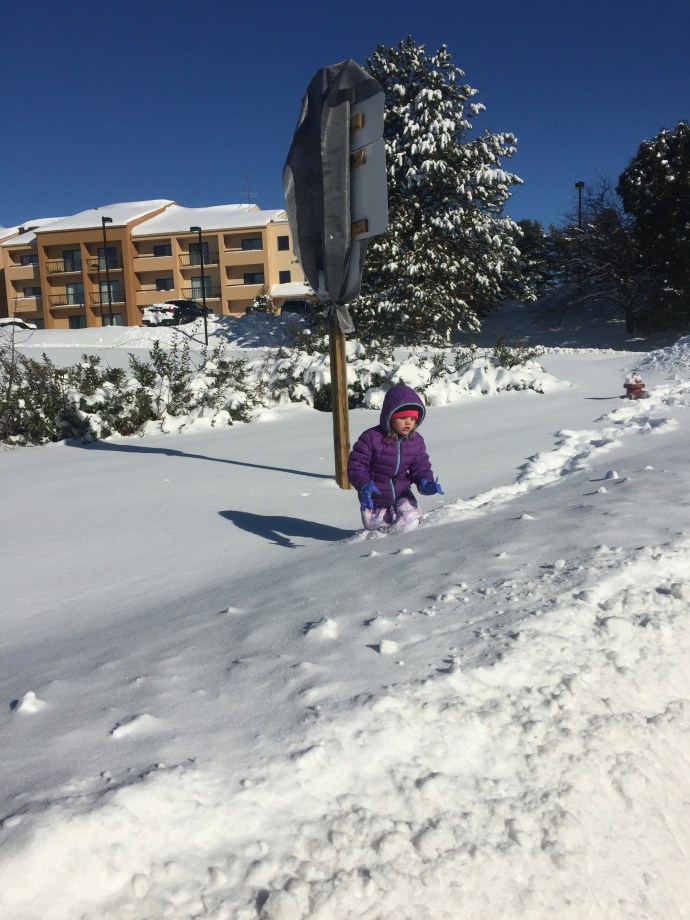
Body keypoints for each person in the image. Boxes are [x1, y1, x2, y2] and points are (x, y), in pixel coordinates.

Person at [347, 383, 444, 532]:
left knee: (411, 522)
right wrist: (364, 485)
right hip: (375, 496)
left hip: (401, 493)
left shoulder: (415, 441)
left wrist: (425, 482)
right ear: (390, 416)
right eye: (403, 417)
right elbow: (356, 465)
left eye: (412, 418)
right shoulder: (371, 438)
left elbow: (420, 465)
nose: (408, 422)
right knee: (379, 532)